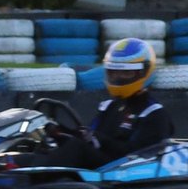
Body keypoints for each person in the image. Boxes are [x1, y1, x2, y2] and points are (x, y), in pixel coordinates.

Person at [45, 38, 173, 168]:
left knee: (76, 148)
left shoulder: (153, 113)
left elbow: (138, 155)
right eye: (113, 72)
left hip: (124, 173)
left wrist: (100, 139)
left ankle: (35, 179)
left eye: (126, 72)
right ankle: (27, 171)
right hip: (99, 168)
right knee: (45, 147)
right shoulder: (110, 106)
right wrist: (60, 132)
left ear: (143, 72)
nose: (118, 77)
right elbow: (89, 138)